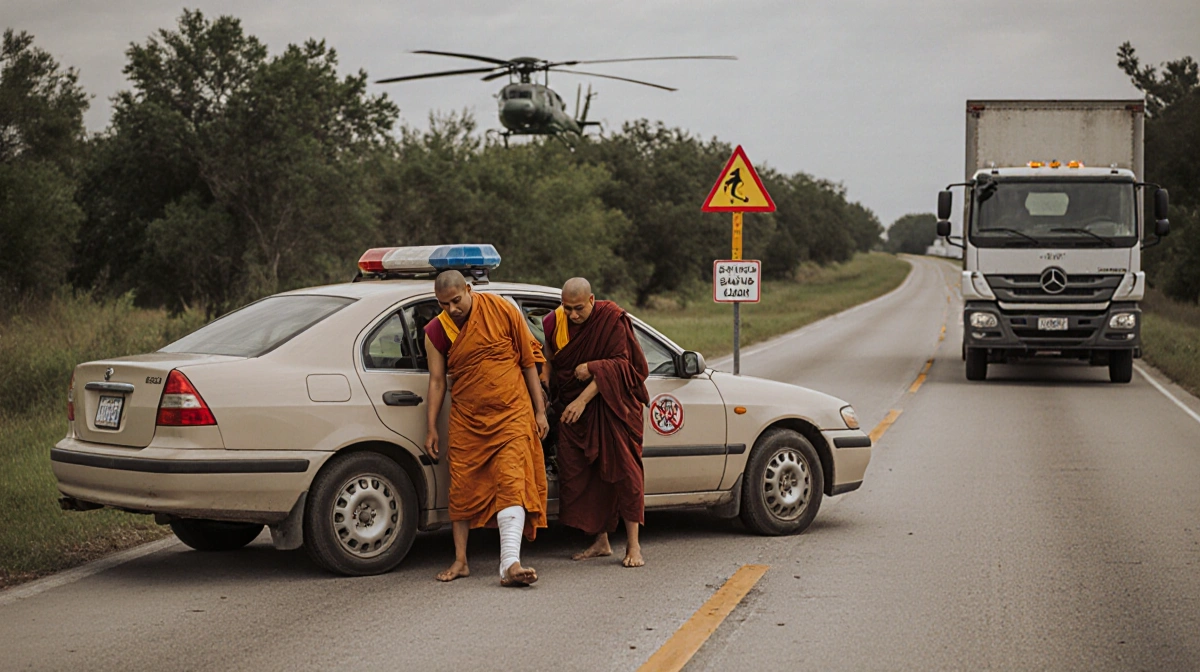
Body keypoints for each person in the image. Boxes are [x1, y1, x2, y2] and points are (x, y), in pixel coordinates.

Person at [424, 270, 550, 586]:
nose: (452, 308)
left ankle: (510, 562)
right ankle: (461, 560)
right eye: (444, 303)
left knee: (511, 481)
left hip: (512, 413)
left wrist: (539, 411)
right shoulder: (437, 330)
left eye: (456, 300)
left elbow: (527, 361)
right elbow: (438, 381)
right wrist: (431, 428)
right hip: (468, 417)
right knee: (462, 488)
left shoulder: (503, 310)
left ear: (468, 289)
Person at [542, 277, 650, 567]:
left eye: (579, 308)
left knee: (626, 474)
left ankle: (634, 546)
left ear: (592, 300)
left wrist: (590, 372)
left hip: (612, 408)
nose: (573, 315)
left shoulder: (611, 318)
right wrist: (544, 376)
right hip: (573, 413)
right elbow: (552, 359)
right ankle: (600, 541)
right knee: (585, 476)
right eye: (568, 309)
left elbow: (624, 365)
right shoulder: (555, 323)